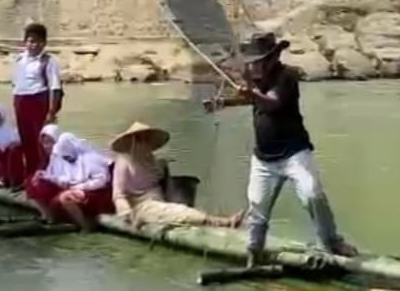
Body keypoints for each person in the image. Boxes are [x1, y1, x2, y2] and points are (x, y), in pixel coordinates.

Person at [237, 32, 358, 267]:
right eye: (253, 61)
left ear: (273, 57)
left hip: (294, 153)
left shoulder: (287, 76)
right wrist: (228, 100)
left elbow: (272, 102)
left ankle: (331, 241)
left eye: (259, 60)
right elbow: (253, 100)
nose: (255, 65)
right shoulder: (257, 79)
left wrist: (251, 92)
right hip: (263, 158)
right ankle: (254, 250)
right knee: (257, 204)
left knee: (312, 193)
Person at [111, 122, 245, 230]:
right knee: (183, 212)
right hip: (141, 207)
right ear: (133, 142)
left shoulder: (150, 160)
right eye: (140, 139)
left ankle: (212, 220)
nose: (145, 142)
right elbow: (118, 195)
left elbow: (159, 182)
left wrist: (163, 168)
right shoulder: (124, 162)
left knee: (181, 208)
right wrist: (126, 212)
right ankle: (226, 223)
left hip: (159, 201)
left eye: (147, 138)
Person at [26, 132, 113, 230]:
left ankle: (85, 227)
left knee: (66, 197)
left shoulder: (91, 159)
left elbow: (101, 181)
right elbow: (65, 177)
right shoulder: (65, 158)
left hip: (96, 192)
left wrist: (80, 188)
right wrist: (46, 176)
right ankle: (57, 218)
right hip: (76, 189)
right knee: (40, 187)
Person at [12, 23, 63, 177]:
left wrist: (51, 111)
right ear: (25, 42)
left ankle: (45, 173)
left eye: (37, 42)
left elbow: (55, 87)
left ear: (44, 43)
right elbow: (17, 83)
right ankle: (30, 174)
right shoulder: (19, 59)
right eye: (30, 41)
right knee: (25, 139)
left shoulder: (48, 61)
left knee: (41, 140)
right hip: (21, 101)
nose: (33, 45)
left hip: (38, 100)